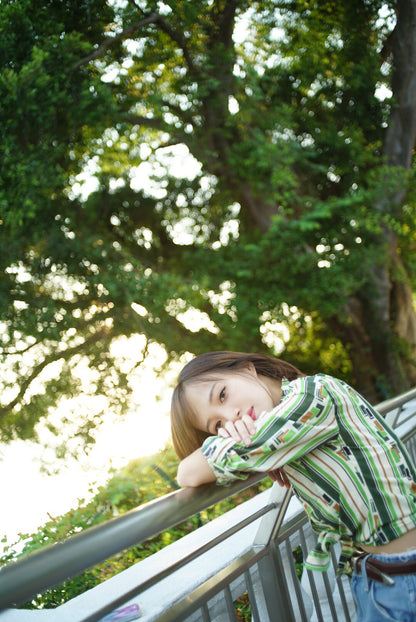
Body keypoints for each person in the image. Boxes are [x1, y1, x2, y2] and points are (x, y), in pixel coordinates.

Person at [170, 351, 416, 622]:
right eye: (217, 425)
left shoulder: (312, 395)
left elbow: (188, 473)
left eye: (222, 394)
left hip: (405, 577)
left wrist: (242, 448)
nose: (232, 417)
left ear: (248, 369)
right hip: (375, 576)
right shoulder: (290, 429)